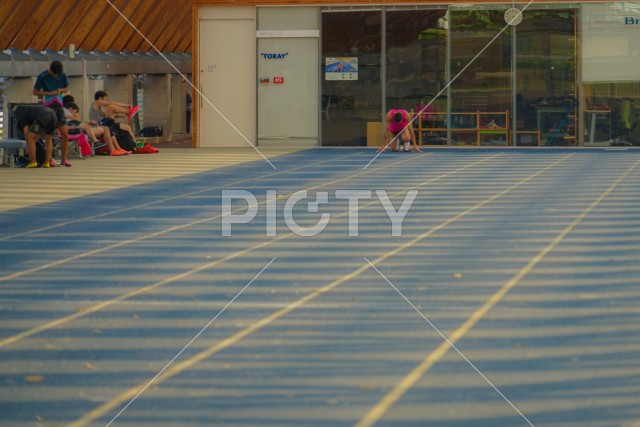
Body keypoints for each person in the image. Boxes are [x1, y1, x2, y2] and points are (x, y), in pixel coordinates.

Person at [32, 60, 72, 167]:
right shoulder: (42, 76)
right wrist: (48, 93)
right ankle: (49, 159)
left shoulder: (62, 74)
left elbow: (67, 88)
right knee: (48, 135)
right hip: (48, 107)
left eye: (57, 74)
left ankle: (64, 159)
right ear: (50, 69)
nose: (55, 75)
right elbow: (35, 91)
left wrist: (60, 90)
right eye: (54, 74)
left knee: (65, 134)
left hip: (59, 106)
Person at [64, 102, 130, 156]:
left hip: (85, 130)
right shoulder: (66, 117)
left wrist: (90, 122)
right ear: (70, 109)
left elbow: (79, 123)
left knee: (107, 128)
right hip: (79, 131)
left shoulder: (71, 117)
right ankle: (98, 143)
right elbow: (77, 124)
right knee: (104, 127)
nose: (76, 113)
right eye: (75, 111)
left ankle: (116, 149)